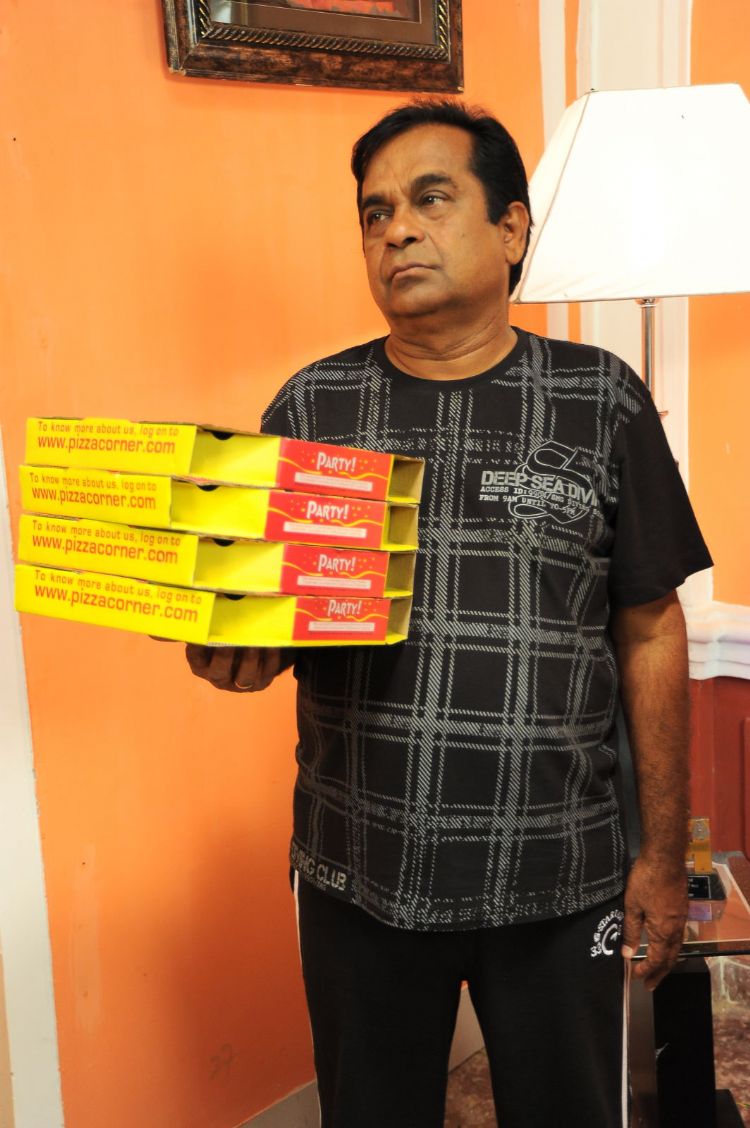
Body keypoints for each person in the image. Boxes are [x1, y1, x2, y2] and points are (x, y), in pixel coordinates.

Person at [186, 100, 712, 1127]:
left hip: (559, 874)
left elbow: (652, 628)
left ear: (511, 229)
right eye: (375, 212)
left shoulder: (600, 400)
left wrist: (658, 857)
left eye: (431, 200)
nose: (397, 231)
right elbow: (270, 618)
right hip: (360, 874)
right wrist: (234, 651)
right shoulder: (312, 411)